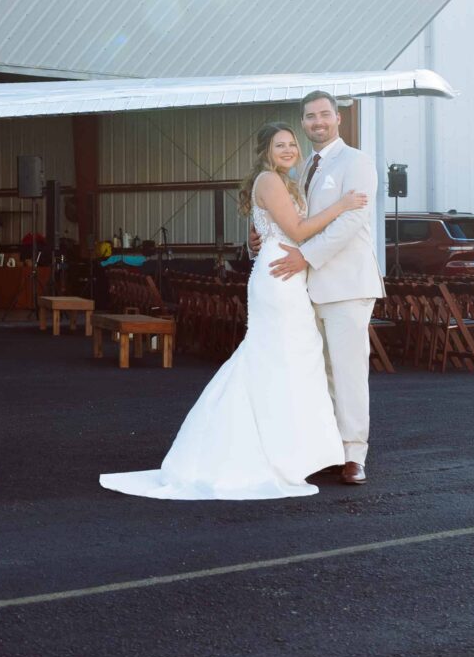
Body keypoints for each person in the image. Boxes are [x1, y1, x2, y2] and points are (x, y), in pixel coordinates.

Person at [100, 124, 369, 500]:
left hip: (286, 271)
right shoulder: (271, 182)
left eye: (293, 143)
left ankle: (292, 449)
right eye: (281, 145)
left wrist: (256, 238)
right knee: (283, 358)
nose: (290, 150)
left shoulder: (281, 182)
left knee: (285, 360)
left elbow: (272, 229)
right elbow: (298, 228)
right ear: (266, 151)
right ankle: (274, 450)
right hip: (281, 277)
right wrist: (342, 206)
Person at [264, 91, 380, 485]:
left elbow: (351, 223)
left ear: (338, 118)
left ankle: (354, 455)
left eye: (324, 115)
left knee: (348, 371)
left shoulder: (357, 162)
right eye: (310, 117)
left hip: (346, 284)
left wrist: (306, 257)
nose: (317, 122)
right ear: (303, 122)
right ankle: (327, 448)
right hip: (306, 287)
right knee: (320, 372)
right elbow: (298, 222)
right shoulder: (301, 169)